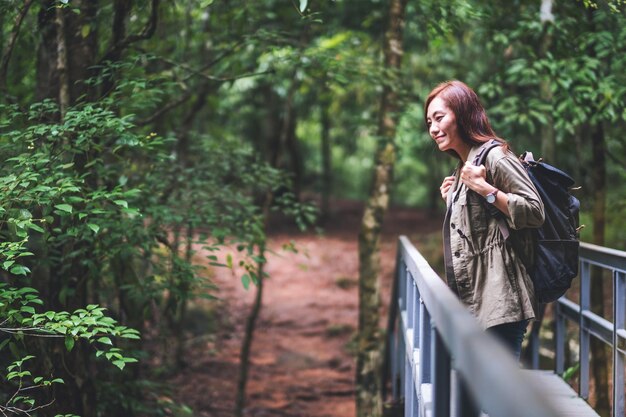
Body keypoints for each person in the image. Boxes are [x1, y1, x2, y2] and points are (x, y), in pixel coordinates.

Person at [424, 80, 545, 360]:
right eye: (429, 121)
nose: (433, 128)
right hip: (478, 299)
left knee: (497, 397)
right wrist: (453, 203)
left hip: (502, 300)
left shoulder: (496, 156)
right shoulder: (465, 165)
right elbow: (481, 230)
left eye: (439, 117)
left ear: (463, 114)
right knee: (483, 395)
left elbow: (534, 211)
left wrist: (485, 190)